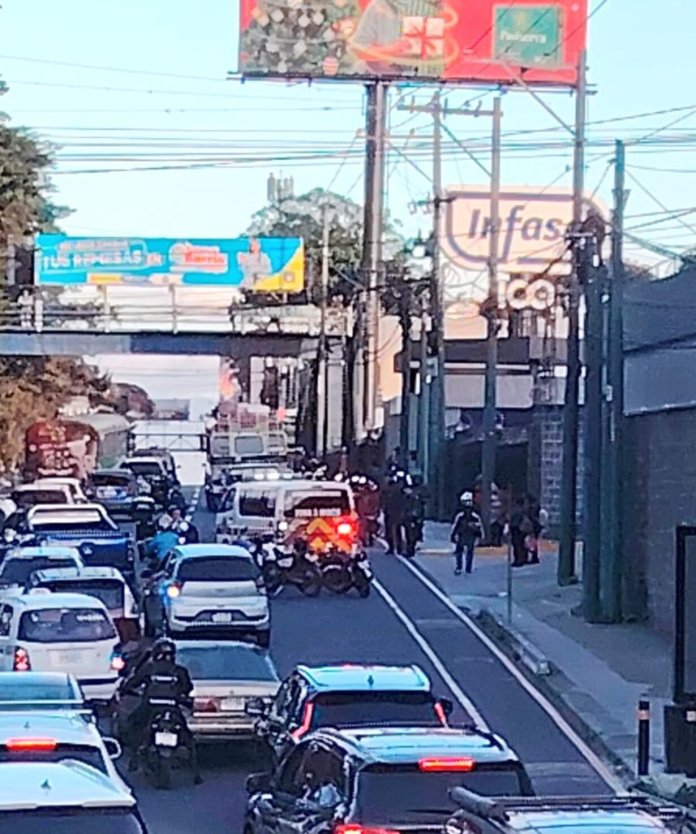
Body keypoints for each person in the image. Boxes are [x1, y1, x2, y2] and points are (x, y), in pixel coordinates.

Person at [121, 638, 194, 764]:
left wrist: (127, 691)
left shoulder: (148, 668)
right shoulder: (180, 671)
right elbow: (187, 688)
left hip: (150, 707)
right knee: (187, 736)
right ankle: (194, 771)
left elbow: (131, 684)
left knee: (132, 724)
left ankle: (134, 758)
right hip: (173, 708)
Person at [450, 492, 483, 576]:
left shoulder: (475, 517)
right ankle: (459, 567)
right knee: (459, 551)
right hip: (462, 535)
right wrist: (453, 535)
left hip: (470, 535)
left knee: (469, 552)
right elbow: (455, 526)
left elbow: (479, 527)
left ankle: (468, 568)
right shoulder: (460, 516)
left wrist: (480, 535)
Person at [509, 496, 533, 567]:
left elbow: (512, 519)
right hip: (522, 529)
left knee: (517, 545)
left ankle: (518, 560)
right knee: (522, 545)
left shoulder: (515, 510)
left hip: (516, 529)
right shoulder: (523, 510)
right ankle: (523, 558)